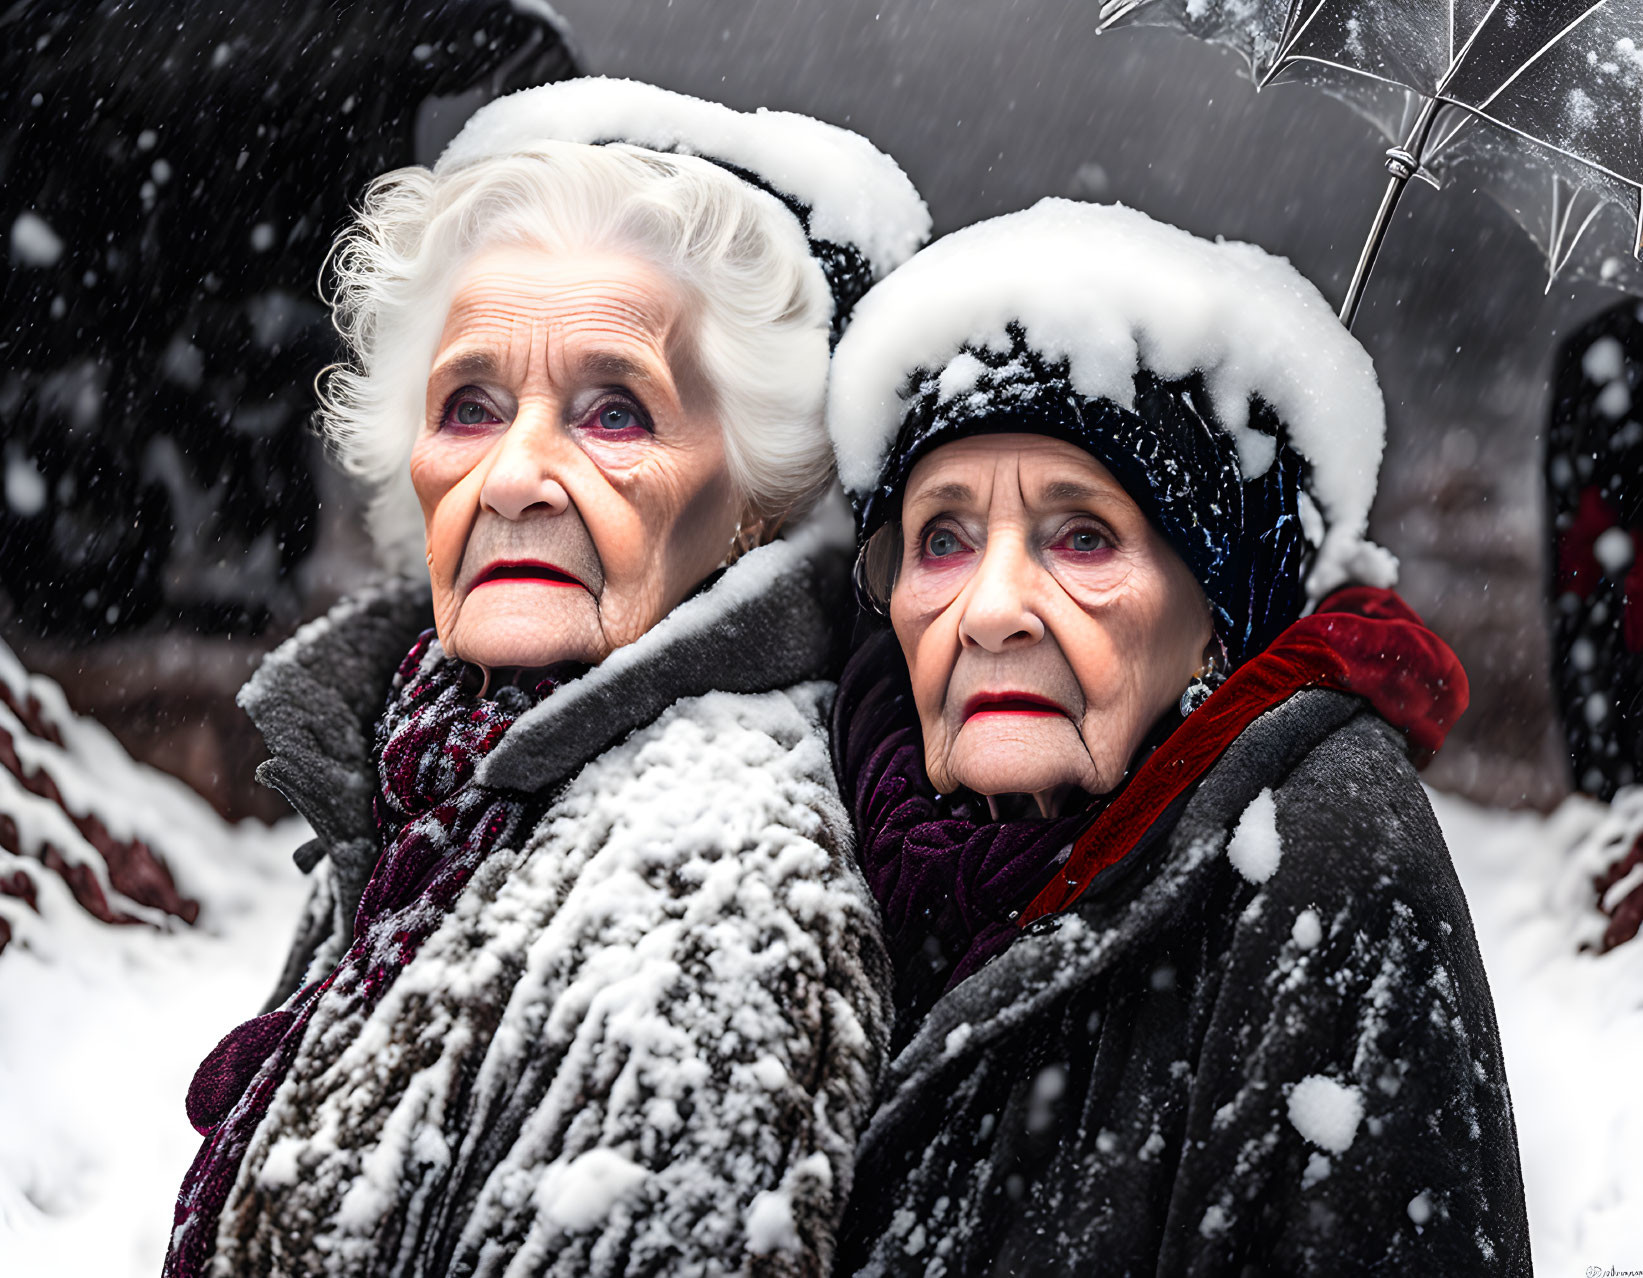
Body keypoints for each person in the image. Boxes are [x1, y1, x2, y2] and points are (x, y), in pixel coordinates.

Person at [165, 78, 929, 1277]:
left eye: (614, 412)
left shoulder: (706, 904)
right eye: (469, 404)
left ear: (754, 497)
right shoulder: (430, 770)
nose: (514, 475)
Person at [825, 200, 1531, 1274]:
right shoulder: (807, 813)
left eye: (1082, 535)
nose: (991, 609)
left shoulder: (1322, 864)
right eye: (942, 538)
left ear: (1215, 618)